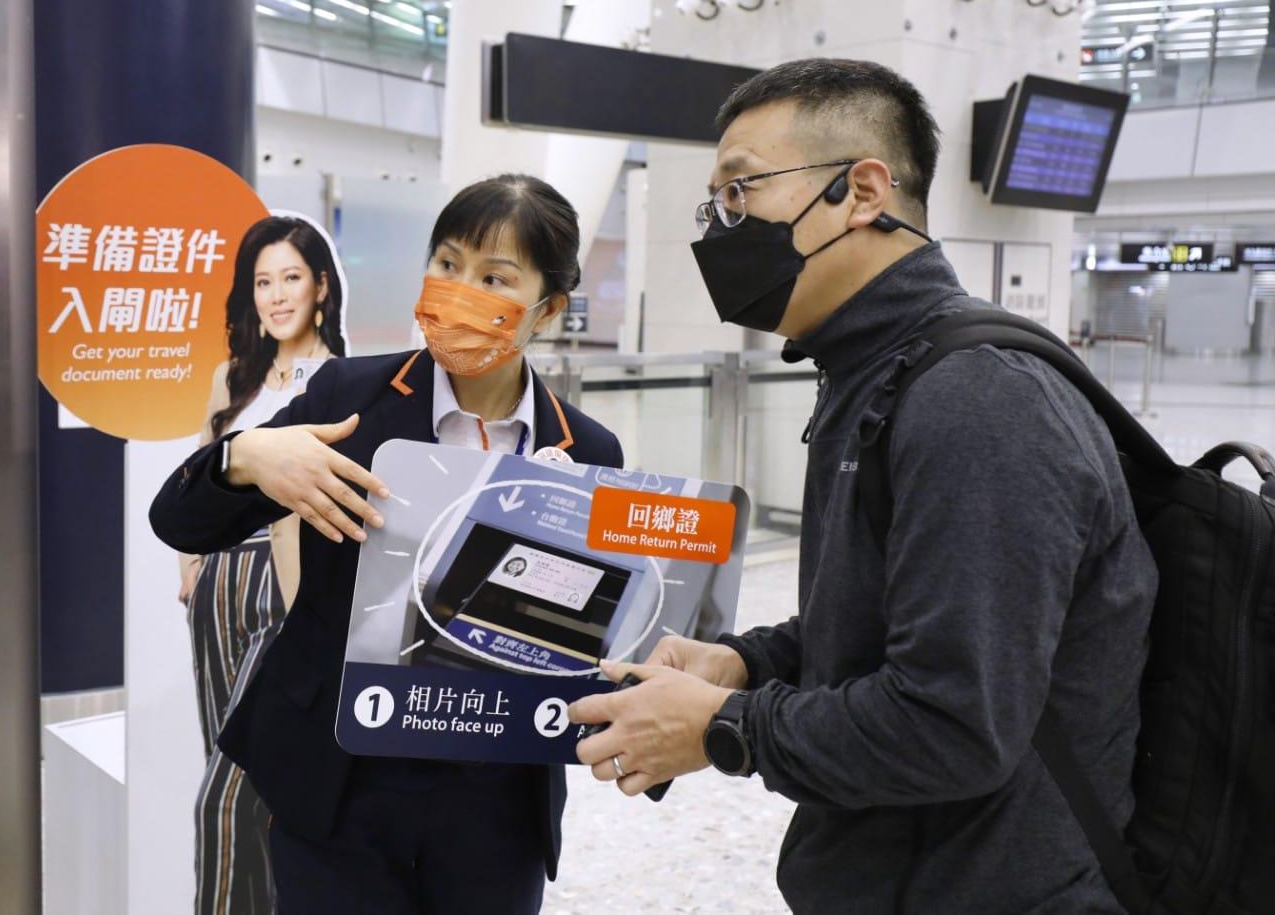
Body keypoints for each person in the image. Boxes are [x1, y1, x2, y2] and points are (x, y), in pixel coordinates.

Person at [570, 59, 1156, 914]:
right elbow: (888, 618)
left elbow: (954, 723)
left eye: (739, 190)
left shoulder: (979, 401)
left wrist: (721, 726)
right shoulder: (874, 373)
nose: (721, 226)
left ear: (863, 191)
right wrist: (746, 663)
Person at [151, 174, 623, 914]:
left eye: (495, 278)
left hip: (495, 802)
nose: (459, 291)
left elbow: (592, 630)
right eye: (447, 263)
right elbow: (179, 520)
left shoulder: (586, 451)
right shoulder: (347, 399)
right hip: (339, 785)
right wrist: (243, 457)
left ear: (549, 308)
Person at [179, 214, 347, 915]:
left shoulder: (344, 382)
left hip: (290, 589)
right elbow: (200, 474)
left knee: (227, 794)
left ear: (321, 288)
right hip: (218, 586)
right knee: (243, 784)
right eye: (263, 281)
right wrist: (191, 562)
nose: (277, 296)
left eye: (291, 278)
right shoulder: (232, 378)